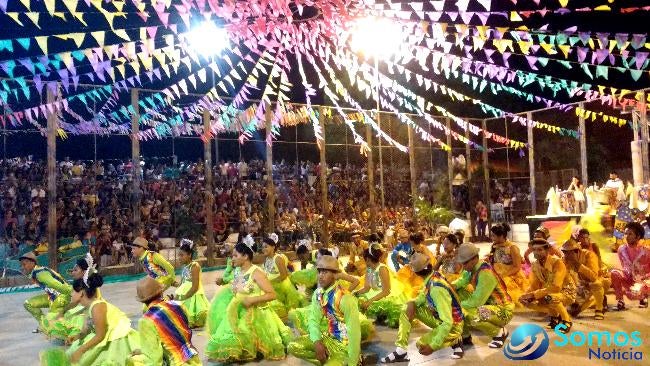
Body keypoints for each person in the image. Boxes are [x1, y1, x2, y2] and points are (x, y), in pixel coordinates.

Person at [205, 241, 292, 362]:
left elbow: (272, 294)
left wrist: (253, 299)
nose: (232, 258)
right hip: (236, 312)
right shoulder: (237, 271)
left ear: (245, 256)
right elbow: (233, 285)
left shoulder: (256, 272)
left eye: (235, 255)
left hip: (256, 315)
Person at [288, 255, 372, 366]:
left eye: (325, 272)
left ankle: (353, 361)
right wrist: (317, 342)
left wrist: (353, 362)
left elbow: (354, 334)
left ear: (335, 275)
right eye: (319, 272)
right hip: (329, 339)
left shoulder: (345, 299)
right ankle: (329, 360)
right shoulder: (318, 293)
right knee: (293, 347)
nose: (320, 277)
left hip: (345, 348)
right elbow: (313, 319)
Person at [380, 253, 464, 363]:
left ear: (415, 273)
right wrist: (412, 302)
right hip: (440, 319)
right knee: (407, 308)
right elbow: (423, 296)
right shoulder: (432, 276)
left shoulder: (436, 288)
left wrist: (433, 346)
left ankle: (455, 339)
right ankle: (401, 351)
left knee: (422, 345)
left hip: (453, 325)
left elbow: (448, 322)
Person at [40, 273, 139, 366]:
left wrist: (81, 350)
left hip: (115, 341)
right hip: (102, 336)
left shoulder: (97, 306)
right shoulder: (89, 306)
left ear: (81, 293)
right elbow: (88, 328)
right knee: (74, 352)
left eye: (73, 291)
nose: (71, 294)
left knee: (84, 357)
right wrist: (77, 336)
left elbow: (100, 335)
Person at [128, 277, 201, 366]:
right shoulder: (179, 305)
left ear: (142, 301)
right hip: (193, 359)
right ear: (161, 292)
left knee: (131, 360)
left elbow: (154, 359)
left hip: (175, 363)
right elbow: (175, 338)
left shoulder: (146, 320)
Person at [453, 243, 514, 349]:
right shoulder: (471, 269)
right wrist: (447, 287)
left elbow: (476, 301)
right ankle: (465, 336)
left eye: (464, 263)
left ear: (474, 259)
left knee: (469, 313)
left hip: (503, 310)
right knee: (457, 292)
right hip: (489, 306)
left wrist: (454, 306)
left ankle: (499, 333)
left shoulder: (485, 272)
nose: (462, 266)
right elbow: (461, 281)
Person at [519, 239, 576, 333]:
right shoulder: (535, 265)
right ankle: (555, 316)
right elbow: (534, 285)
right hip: (547, 292)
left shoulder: (557, 263)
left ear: (547, 250)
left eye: (540, 250)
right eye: (534, 250)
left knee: (550, 298)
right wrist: (526, 295)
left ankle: (567, 320)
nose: (536, 252)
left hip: (566, 292)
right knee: (526, 301)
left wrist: (534, 294)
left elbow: (556, 287)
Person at [42, 254, 98, 340]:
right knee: (65, 314)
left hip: (92, 312)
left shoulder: (87, 285)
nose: (72, 272)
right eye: (72, 270)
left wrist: (62, 313)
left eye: (75, 270)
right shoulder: (80, 283)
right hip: (85, 308)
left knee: (70, 315)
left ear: (83, 272)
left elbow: (85, 304)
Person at [354, 244, 406, 328]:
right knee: (357, 300)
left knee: (374, 307)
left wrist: (370, 301)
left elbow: (386, 291)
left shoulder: (382, 269)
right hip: (374, 293)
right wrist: (354, 293)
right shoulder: (369, 269)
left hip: (385, 296)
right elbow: (366, 288)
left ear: (367, 259)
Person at [19, 251, 72, 334]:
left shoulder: (39, 273)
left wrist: (72, 292)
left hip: (61, 298)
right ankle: (43, 325)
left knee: (54, 324)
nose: (22, 267)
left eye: (24, 264)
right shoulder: (37, 272)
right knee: (28, 304)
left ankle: (67, 335)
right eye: (21, 265)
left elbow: (54, 284)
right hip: (52, 297)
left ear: (32, 263)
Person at [261, 233, 304, 318]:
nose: (263, 249)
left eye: (266, 246)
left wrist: (270, 282)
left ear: (273, 247)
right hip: (272, 289)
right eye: (262, 247)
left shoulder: (277, 258)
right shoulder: (266, 259)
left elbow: (284, 275)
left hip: (283, 289)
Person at [561, 239, 606, 320]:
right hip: (581, 286)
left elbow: (594, 277)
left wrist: (578, 264)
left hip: (597, 282)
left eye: (569, 252)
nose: (566, 254)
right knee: (573, 312)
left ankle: (599, 308)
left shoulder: (589, 255)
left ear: (577, 251)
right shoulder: (565, 259)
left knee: (597, 284)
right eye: (564, 252)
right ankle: (593, 300)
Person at [610, 222, 650, 310]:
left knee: (636, 292)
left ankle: (644, 297)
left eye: (630, 234)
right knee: (614, 273)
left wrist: (643, 279)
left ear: (638, 236)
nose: (626, 236)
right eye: (625, 234)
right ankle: (620, 301)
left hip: (643, 281)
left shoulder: (646, 251)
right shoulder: (621, 249)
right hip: (628, 278)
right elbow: (623, 265)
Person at [170, 239, 209, 328]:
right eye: (178, 255)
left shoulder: (194, 266)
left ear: (189, 255)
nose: (179, 257)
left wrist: (184, 297)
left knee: (189, 316)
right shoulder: (185, 268)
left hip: (192, 296)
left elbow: (195, 286)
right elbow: (182, 284)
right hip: (183, 294)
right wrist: (173, 283)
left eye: (182, 255)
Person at [486, 223, 527, 304]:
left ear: (501, 236)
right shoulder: (495, 245)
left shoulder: (512, 248)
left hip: (510, 274)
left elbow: (517, 267)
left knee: (503, 290)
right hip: (496, 273)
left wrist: (503, 275)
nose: (492, 238)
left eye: (493, 236)